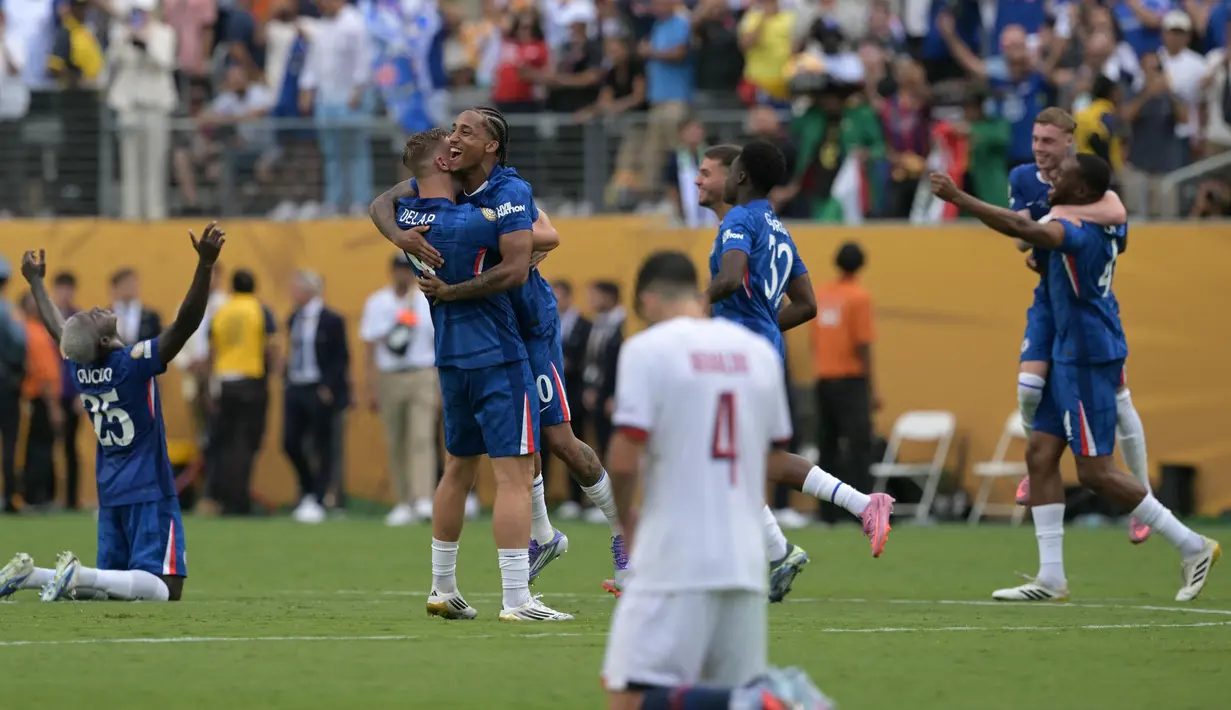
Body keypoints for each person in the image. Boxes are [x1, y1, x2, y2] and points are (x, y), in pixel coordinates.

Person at [930, 157, 1221, 603]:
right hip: (1066, 351)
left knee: (1096, 472)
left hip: (1087, 357)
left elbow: (1026, 230)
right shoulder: (1096, 217)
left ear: (1084, 194)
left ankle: (1192, 545)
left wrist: (958, 198)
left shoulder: (1078, 233)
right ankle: (1051, 578)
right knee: (1041, 454)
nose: (1053, 178)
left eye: (1063, 175)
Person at [369, 107, 629, 590]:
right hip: (492, 329)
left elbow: (549, 234)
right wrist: (398, 234)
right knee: (515, 441)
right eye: (452, 130)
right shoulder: (449, 184)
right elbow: (383, 200)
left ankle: (623, 536)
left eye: (464, 131)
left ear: (490, 146)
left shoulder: (508, 188)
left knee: (559, 442)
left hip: (530, 326)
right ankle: (543, 534)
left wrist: (521, 244)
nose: (453, 137)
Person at [602, 250, 833, 710]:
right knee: (723, 687)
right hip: (744, 561)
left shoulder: (647, 349)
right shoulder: (758, 353)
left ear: (647, 300)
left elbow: (625, 461)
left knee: (627, 695)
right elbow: (770, 459)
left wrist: (626, 525)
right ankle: (751, 701)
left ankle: (767, 704)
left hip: (676, 555)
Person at [699, 141, 894, 602]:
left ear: (740, 177)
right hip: (760, 352)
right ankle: (784, 547)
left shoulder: (740, 220)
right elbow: (806, 304)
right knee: (744, 460)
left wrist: (687, 310)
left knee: (719, 457)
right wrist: (765, 322)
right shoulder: (779, 229)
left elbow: (729, 278)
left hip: (738, 356)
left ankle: (683, 573)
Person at [397, 128, 570, 622]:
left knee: (457, 470)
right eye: (450, 148)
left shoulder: (408, 218)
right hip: (497, 355)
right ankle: (517, 598)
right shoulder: (472, 220)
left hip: (449, 357)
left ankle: (441, 587)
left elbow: (385, 204)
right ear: (446, 166)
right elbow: (541, 238)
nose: (457, 147)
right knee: (514, 475)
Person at [0, 223, 225, 602]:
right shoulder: (132, 363)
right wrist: (204, 266)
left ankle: (33, 575)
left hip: (111, 488)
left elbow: (61, 331)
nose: (96, 309)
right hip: (149, 487)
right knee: (167, 588)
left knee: (114, 586)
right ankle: (77, 573)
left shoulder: (80, 365)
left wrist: (37, 284)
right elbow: (186, 324)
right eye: (93, 316)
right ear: (104, 340)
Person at [1006, 108, 1154, 545]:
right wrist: (1040, 236)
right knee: (1028, 389)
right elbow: (1019, 236)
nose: (1039, 148)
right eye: (1035, 139)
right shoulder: (1024, 178)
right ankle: (1039, 468)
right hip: (1048, 299)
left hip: (1087, 303)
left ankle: (1143, 499)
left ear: (1069, 143)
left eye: (1049, 141)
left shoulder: (1086, 179)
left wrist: (1057, 225)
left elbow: (1117, 213)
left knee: (1120, 400)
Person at [359, 255, 440, 526]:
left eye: (408, 270)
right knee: (396, 439)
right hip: (390, 375)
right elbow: (369, 347)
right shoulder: (377, 302)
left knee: (421, 437)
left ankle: (423, 499)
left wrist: (441, 384)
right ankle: (403, 501)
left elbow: (438, 342)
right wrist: (370, 386)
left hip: (421, 374)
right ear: (391, 272)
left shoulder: (425, 300)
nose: (403, 275)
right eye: (399, 270)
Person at [208, 269, 277, 516]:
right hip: (251, 381)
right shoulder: (260, 309)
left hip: (225, 381)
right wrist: (274, 371)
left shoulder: (222, 310)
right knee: (247, 443)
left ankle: (226, 499)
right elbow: (271, 345)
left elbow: (212, 349)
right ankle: (240, 501)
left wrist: (212, 385)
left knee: (226, 444)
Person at [283, 270, 350, 525]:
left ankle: (319, 497)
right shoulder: (293, 318)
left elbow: (340, 357)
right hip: (296, 385)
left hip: (318, 388)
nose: (292, 293)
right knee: (290, 442)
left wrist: (328, 385)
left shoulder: (331, 320)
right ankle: (308, 488)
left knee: (323, 445)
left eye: (296, 288)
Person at [52, 272, 82, 509]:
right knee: (47, 445)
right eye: (60, 288)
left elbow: (83, 359)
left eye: (68, 288)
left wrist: (82, 393)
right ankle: (48, 495)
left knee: (71, 447)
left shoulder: (79, 320)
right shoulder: (46, 318)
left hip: (71, 393)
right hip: (50, 390)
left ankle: (72, 500)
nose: (65, 293)